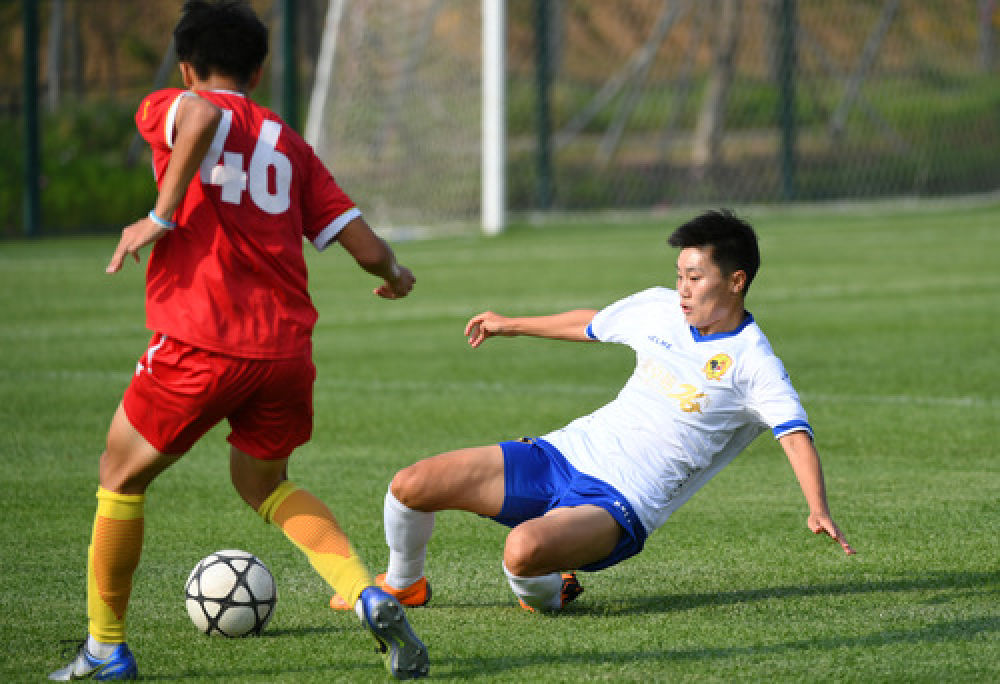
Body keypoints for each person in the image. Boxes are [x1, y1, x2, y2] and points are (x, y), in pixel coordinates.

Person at [49, 1, 428, 680]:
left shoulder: (173, 102)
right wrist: (394, 275)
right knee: (264, 484)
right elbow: (363, 243)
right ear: (259, 69)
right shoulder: (289, 141)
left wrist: (159, 216)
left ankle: (105, 649)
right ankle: (365, 591)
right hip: (283, 351)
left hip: (202, 339)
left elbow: (199, 116)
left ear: (186, 65)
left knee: (118, 475)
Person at [330, 209, 855, 616]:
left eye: (695, 278)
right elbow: (595, 323)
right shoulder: (660, 308)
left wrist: (818, 507)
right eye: (679, 275)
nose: (682, 290)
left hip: (618, 503)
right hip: (564, 454)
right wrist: (509, 323)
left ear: (736, 281)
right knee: (411, 485)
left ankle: (550, 590)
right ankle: (404, 584)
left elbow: (794, 432)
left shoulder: (753, 361)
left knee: (522, 551)